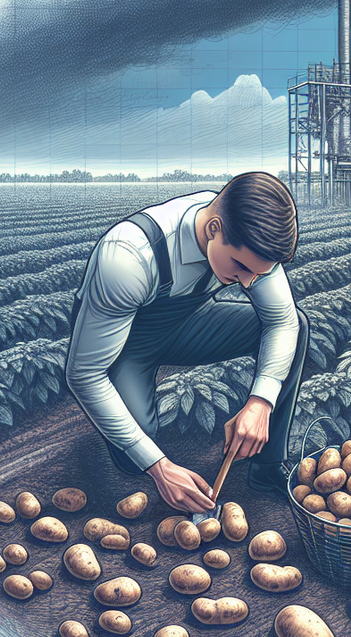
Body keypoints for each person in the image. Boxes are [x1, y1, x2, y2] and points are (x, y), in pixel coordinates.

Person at [65, 172, 308, 513]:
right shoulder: (127, 257)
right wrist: (159, 466)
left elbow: (282, 321)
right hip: (125, 343)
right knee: (133, 459)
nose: (249, 282)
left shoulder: (249, 239)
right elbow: (85, 373)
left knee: (298, 324)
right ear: (213, 229)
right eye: (240, 268)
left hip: (186, 324)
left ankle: (267, 468)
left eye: (258, 273)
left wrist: (261, 402)